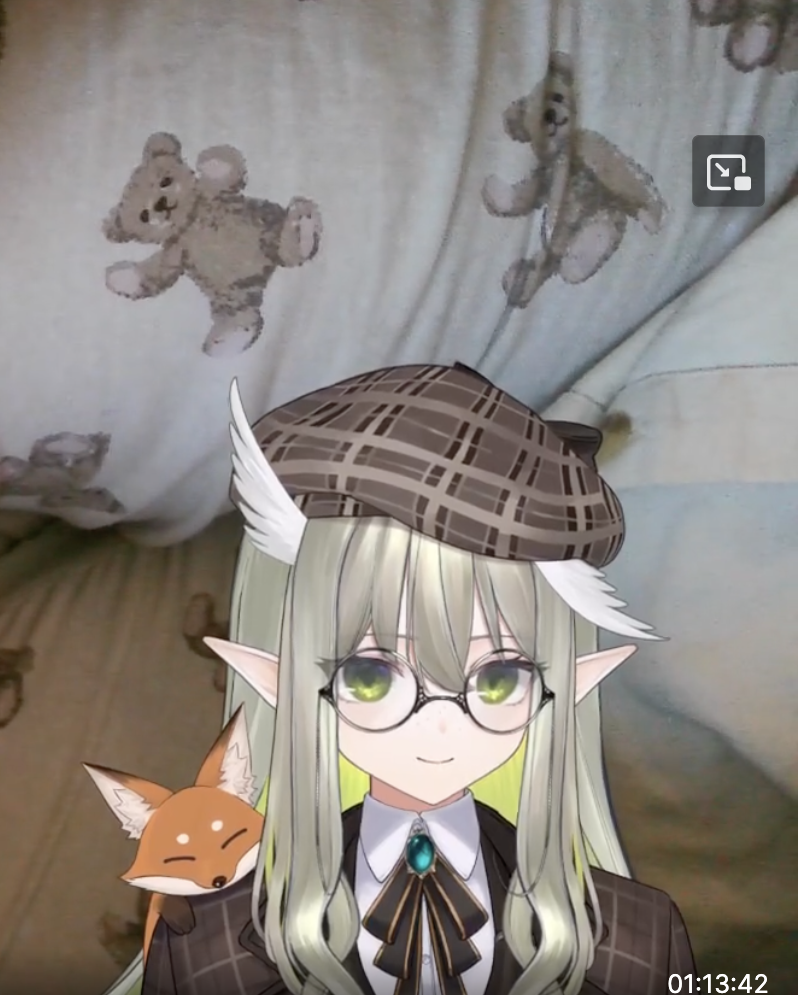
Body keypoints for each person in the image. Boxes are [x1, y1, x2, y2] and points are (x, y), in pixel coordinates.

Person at [141, 362, 696, 995]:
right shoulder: (206, 945)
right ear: (278, 679)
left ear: (569, 687)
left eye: (498, 680)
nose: (439, 726)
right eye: (372, 676)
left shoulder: (639, 937)